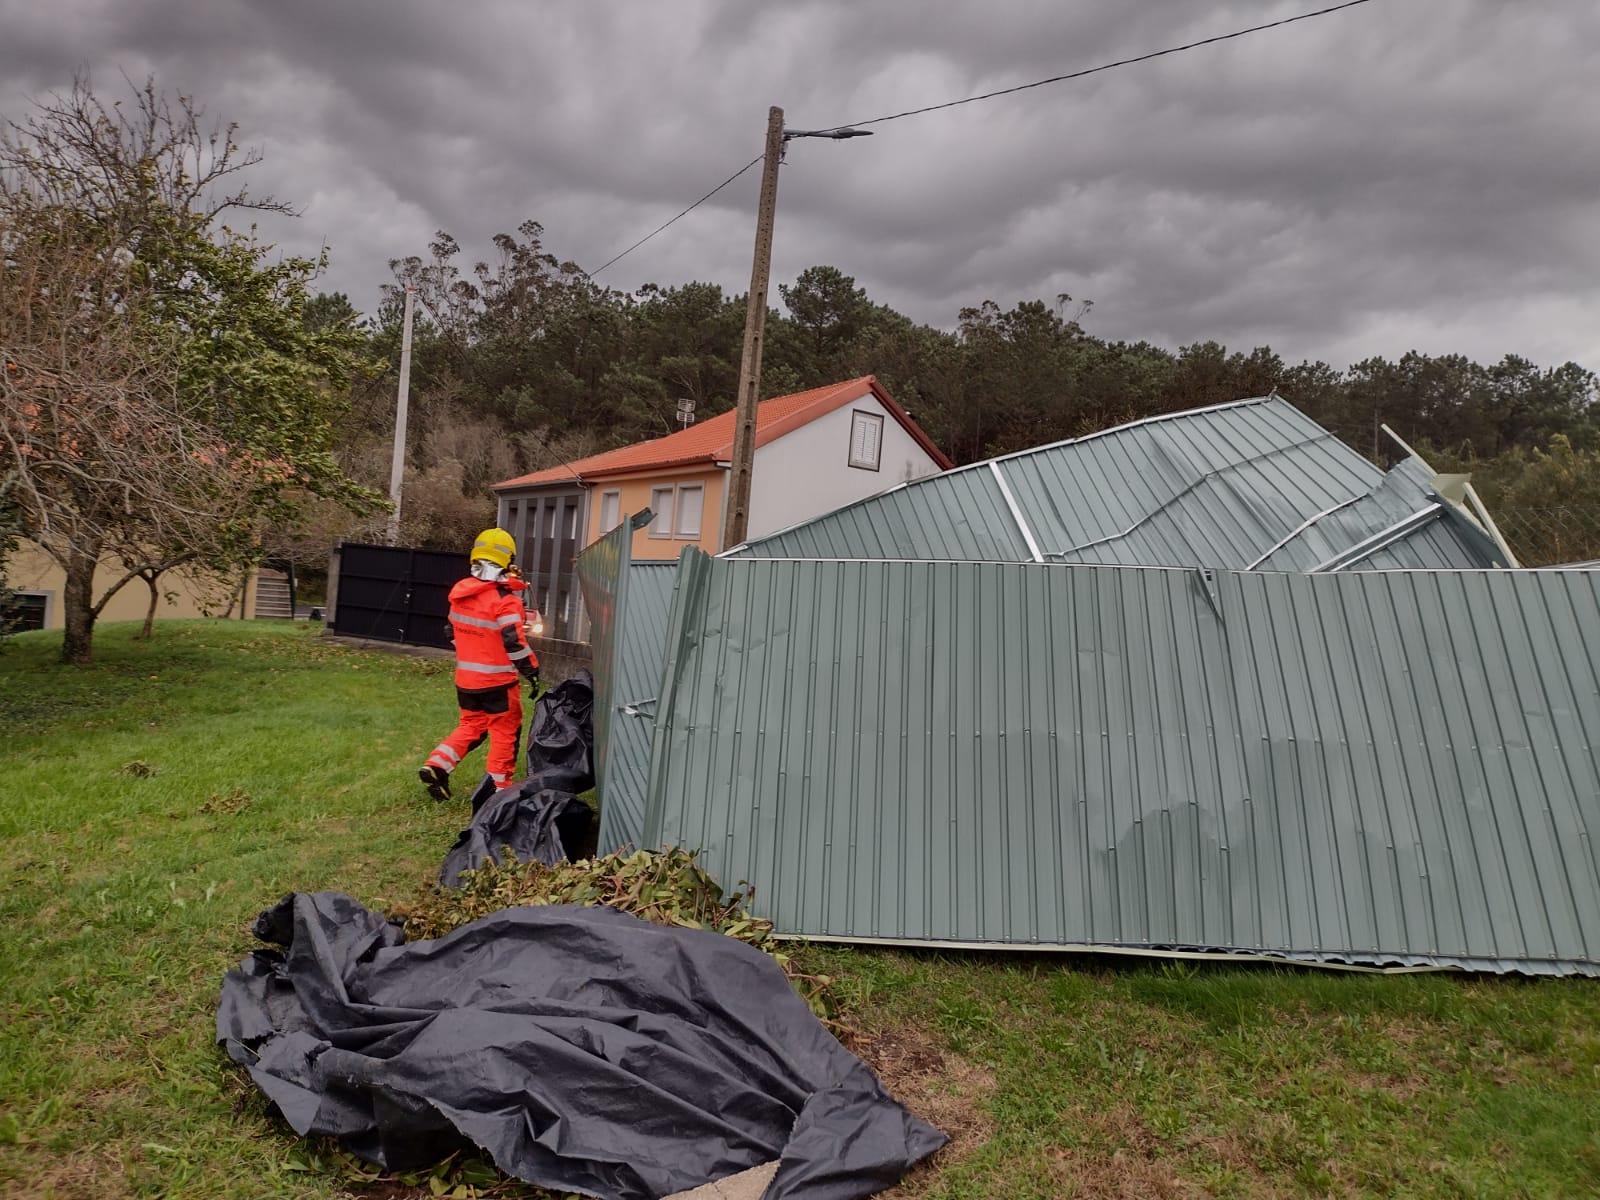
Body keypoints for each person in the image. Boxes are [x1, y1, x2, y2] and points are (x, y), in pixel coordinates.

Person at [419, 528, 540, 801]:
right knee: (504, 731)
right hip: (498, 683)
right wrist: (531, 671)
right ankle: (499, 789)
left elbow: (451, 633)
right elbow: (514, 642)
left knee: (471, 726)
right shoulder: (505, 601)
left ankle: (437, 764)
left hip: (466, 680)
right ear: (508, 560)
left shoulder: (459, 596)